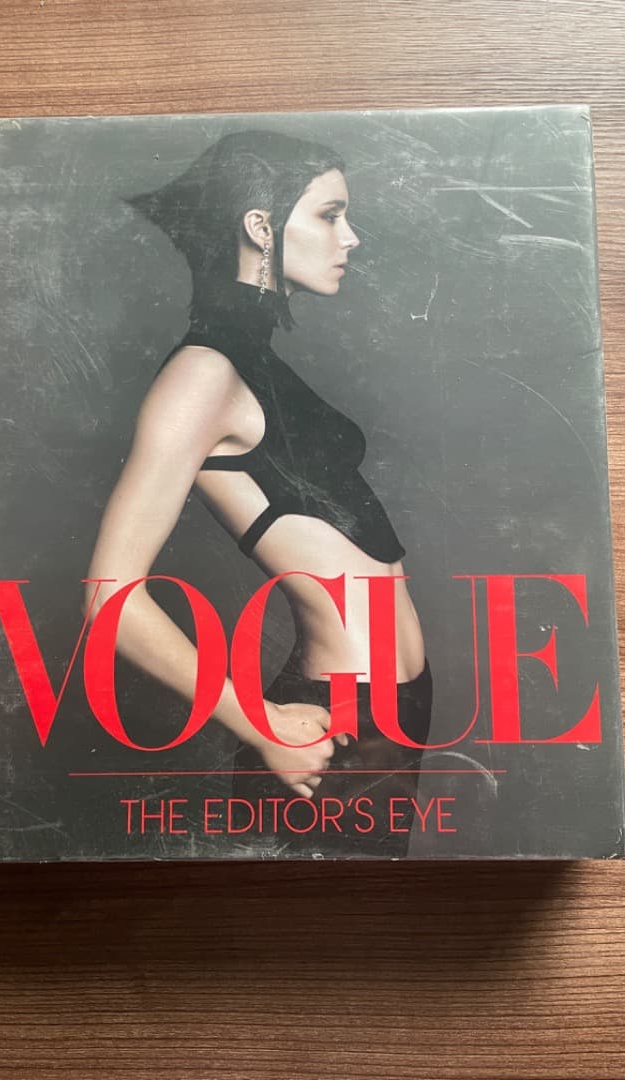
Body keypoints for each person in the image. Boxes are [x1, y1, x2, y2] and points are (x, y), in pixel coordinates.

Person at [86, 129, 431, 856]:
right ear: (260, 226)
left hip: (390, 710)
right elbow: (109, 604)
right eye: (330, 215)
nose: (351, 237)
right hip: (332, 729)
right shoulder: (201, 375)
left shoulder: (251, 359)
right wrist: (261, 724)